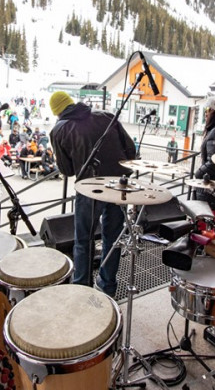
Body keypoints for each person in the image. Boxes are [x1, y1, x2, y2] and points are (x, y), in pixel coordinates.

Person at [49, 90, 136, 297]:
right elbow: (130, 149)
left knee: (83, 240)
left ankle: (82, 286)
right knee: (112, 238)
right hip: (118, 186)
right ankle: (107, 286)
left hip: (89, 188)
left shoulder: (59, 129)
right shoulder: (105, 116)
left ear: (57, 112)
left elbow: (67, 170)